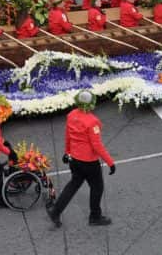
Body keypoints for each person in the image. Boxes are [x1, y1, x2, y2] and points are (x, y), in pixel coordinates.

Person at [47, 91, 115, 228]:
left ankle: (56, 211)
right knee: (97, 187)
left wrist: (67, 152)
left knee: (73, 185)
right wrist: (110, 162)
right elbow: (97, 145)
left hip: (74, 159)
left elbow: (68, 136)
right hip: (89, 162)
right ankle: (95, 217)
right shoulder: (92, 121)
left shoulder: (71, 115)